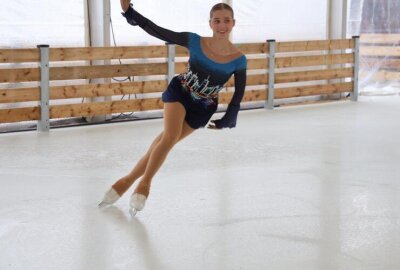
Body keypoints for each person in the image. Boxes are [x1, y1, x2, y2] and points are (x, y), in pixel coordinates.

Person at [99, 0, 247, 216]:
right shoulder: (195, 41)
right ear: (210, 23)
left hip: (203, 107)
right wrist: (130, 12)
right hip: (181, 92)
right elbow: (159, 31)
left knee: (162, 143)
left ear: (233, 23)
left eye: (226, 21)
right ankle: (144, 185)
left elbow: (239, 92)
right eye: (217, 21)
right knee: (169, 137)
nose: (221, 25)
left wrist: (231, 115)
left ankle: (126, 181)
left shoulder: (239, 60)